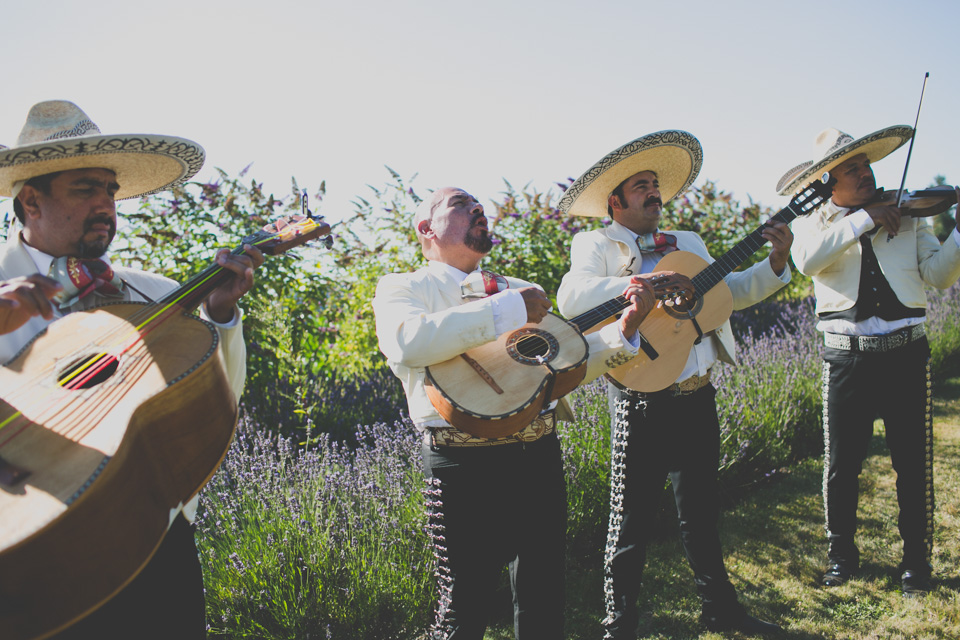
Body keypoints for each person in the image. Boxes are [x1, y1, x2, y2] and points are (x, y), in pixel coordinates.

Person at [0, 100, 263, 638]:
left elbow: (217, 399)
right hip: (36, 546)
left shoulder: (158, 295)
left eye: (111, 190)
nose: (106, 205)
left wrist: (221, 317)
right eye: (85, 189)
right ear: (31, 200)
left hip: (156, 538)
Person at [372, 186, 677, 640]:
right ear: (425, 229)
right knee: (464, 605)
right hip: (461, 463)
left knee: (543, 595)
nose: (479, 209)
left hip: (538, 452)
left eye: (479, 205)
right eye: (460, 205)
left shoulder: (517, 289)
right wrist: (509, 309)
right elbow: (407, 342)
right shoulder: (406, 287)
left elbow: (557, 368)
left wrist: (623, 332)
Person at [556, 131, 792, 637]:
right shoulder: (595, 244)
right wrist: (640, 286)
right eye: (641, 185)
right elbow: (573, 296)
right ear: (615, 201)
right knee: (630, 521)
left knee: (702, 514)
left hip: (697, 393)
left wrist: (774, 264)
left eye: (656, 184)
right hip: (641, 397)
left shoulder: (689, 244)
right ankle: (619, 623)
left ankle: (721, 611)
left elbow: (729, 293)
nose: (653, 192)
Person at [777, 126, 960, 596]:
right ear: (826, 181)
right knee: (841, 466)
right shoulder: (814, 224)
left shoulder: (909, 216)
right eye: (851, 168)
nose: (865, 173)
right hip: (846, 359)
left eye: (866, 164)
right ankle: (842, 558)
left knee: (912, 464)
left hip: (906, 355)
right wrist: (865, 219)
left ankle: (916, 564)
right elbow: (806, 262)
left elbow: (938, 276)